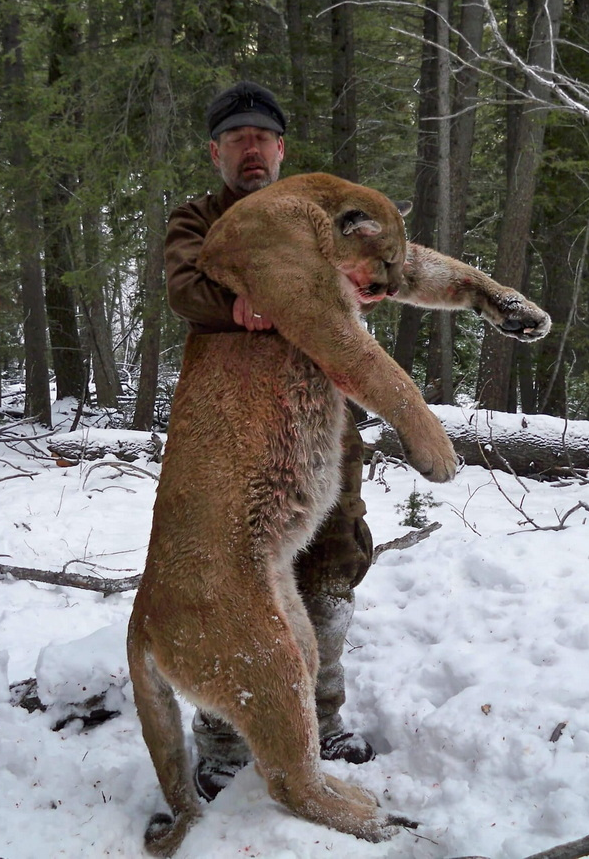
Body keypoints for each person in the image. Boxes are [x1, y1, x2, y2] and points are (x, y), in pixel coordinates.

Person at [164, 81, 377, 801]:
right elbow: (184, 288)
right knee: (226, 582)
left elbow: (379, 266)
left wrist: (366, 284)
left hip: (322, 434)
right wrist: (237, 303)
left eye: (263, 137)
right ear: (217, 152)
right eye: (237, 139)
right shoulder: (197, 218)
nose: (251, 149)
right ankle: (225, 740)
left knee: (331, 569)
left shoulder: (321, 218)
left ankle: (323, 719)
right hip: (234, 442)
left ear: (282, 149)